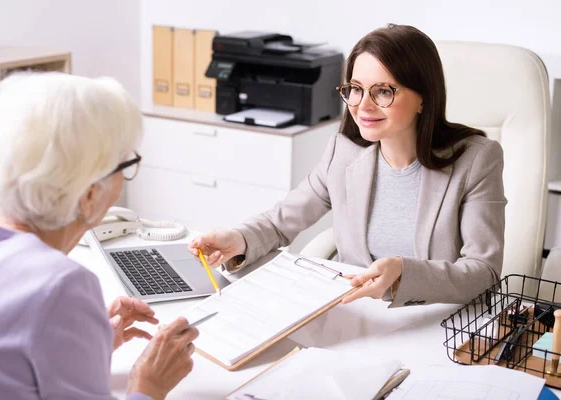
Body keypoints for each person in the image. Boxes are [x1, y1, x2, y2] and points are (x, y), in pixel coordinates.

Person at [188, 24, 506, 307]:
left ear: (423, 98)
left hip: (431, 324)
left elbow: (483, 272)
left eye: (383, 91)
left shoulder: (476, 160)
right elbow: (279, 222)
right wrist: (237, 240)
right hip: (350, 312)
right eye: (355, 89)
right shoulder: (344, 152)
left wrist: (404, 273)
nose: (362, 106)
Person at [0, 73, 198, 400]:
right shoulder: (62, 287)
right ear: (88, 194)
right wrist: (149, 384)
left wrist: (80, 342)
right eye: (125, 164)